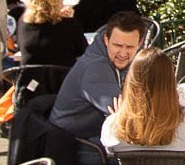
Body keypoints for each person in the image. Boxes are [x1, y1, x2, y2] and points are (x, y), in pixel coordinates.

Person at [51, 12, 146, 147]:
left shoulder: (110, 58)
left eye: (130, 47)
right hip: (75, 143)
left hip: (86, 133)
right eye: (118, 45)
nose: (123, 53)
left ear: (140, 43)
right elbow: (125, 113)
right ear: (106, 40)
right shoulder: (96, 68)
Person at [16, 0, 85, 74]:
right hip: (63, 83)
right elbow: (83, 50)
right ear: (56, 0)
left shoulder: (23, 22)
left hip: (30, 83)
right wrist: (67, 19)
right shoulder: (69, 25)